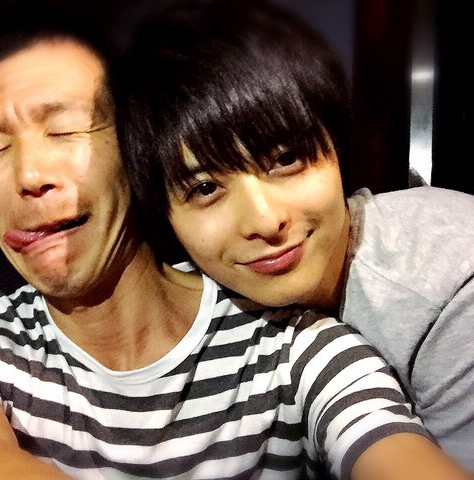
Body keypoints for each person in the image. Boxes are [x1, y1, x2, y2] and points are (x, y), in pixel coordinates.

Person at [0, 1, 471, 479]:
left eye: (65, 129)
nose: (28, 175)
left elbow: (389, 447)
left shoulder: (293, 341)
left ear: (137, 154)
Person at [114, 0, 474, 472]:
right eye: (205, 188)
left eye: (286, 159)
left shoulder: (449, 275)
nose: (265, 221)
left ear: (337, 147)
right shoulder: (192, 305)